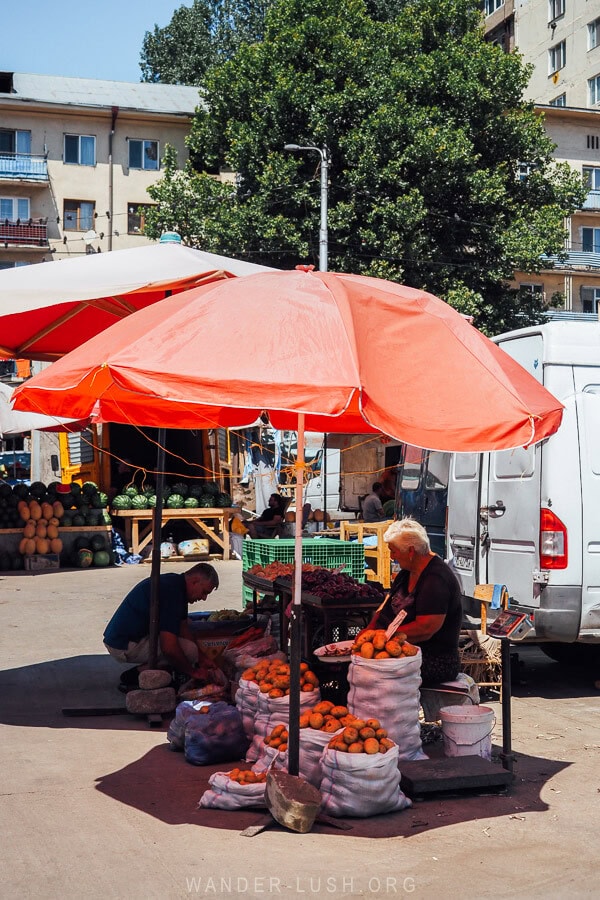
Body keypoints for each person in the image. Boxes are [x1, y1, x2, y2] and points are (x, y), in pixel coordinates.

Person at [365, 518, 463, 687]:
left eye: (393, 551)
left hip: (433, 659)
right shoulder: (406, 573)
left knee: (370, 676)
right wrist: (369, 631)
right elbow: (386, 603)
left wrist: (385, 638)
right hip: (399, 649)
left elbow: (426, 628)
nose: (391, 557)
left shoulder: (436, 579)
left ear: (411, 551)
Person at [103, 563, 220, 689]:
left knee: (190, 650)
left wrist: (202, 658)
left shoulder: (176, 584)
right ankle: (137, 675)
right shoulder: (173, 593)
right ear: (194, 581)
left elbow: (183, 628)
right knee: (188, 650)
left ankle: (147, 671)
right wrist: (193, 672)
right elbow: (169, 648)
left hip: (120, 637)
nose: (204, 598)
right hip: (123, 644)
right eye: (204, 592)